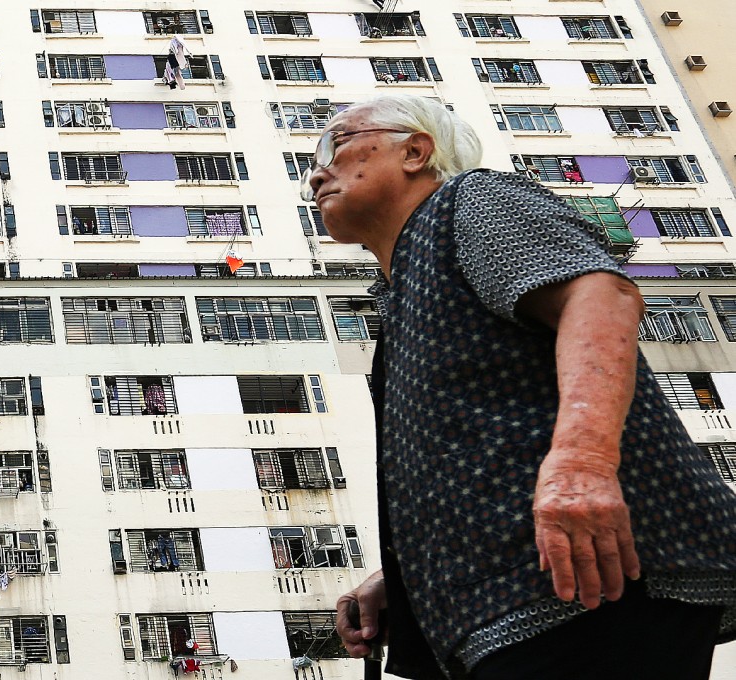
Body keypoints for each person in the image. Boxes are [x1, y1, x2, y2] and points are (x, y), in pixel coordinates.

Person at [302, 95, 736, 679]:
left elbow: (602, 297)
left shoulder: (472, 201)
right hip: (505, 608)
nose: (314, 173)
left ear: (414, 151)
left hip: (587, 583)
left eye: (336, 144)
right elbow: (475, 445)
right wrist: (402, 574)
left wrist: (583, 462)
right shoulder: (400, 290)